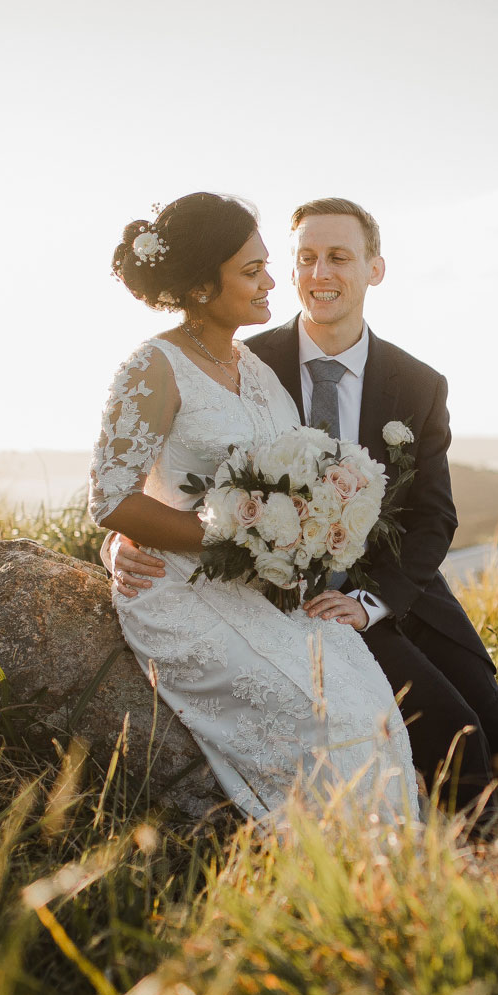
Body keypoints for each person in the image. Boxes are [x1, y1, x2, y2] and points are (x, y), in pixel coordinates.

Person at [106, 198, 498, 827]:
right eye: (305, 258)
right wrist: (135, 535)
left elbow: (433, 519)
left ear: (375, 269)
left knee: (492, 721)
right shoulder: (245, 357)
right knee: (447, 730)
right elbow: (149, 475)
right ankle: (451, 865)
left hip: (395, 589)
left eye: (339, 257)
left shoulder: (417, 383)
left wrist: (375, 603)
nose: (320, 273)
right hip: (278, 591)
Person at [88, 192, 417, 827]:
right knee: (326, 720)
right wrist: (223, 542)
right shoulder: (154, 367)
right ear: (202, 286)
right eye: (251, 271)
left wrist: (307, 529)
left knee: (365, 694)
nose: (273, 281)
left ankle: (393, 875)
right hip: (177, 589)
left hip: (262, 583)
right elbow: (111, 497)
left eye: (267, 264)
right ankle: (335, 868)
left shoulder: (256, 369)